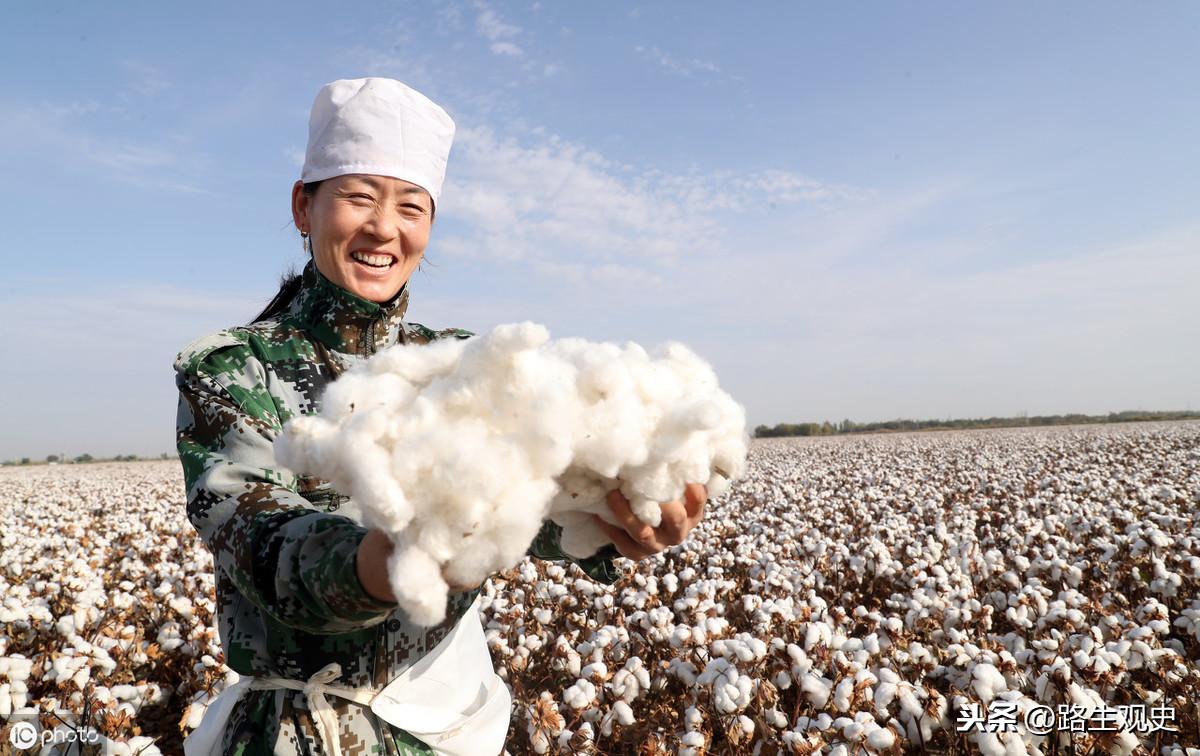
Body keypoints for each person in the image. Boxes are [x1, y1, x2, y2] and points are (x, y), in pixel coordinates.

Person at [173, 77, 708, 756]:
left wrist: (609, 517)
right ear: (303, 208)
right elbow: (262, 542)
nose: (383, 228)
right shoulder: (231, 369)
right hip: (302, 737)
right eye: (358, 197)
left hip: (451, 731)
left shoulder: (463, 363)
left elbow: (530, 508)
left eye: (410, 207)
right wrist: (391, 559)